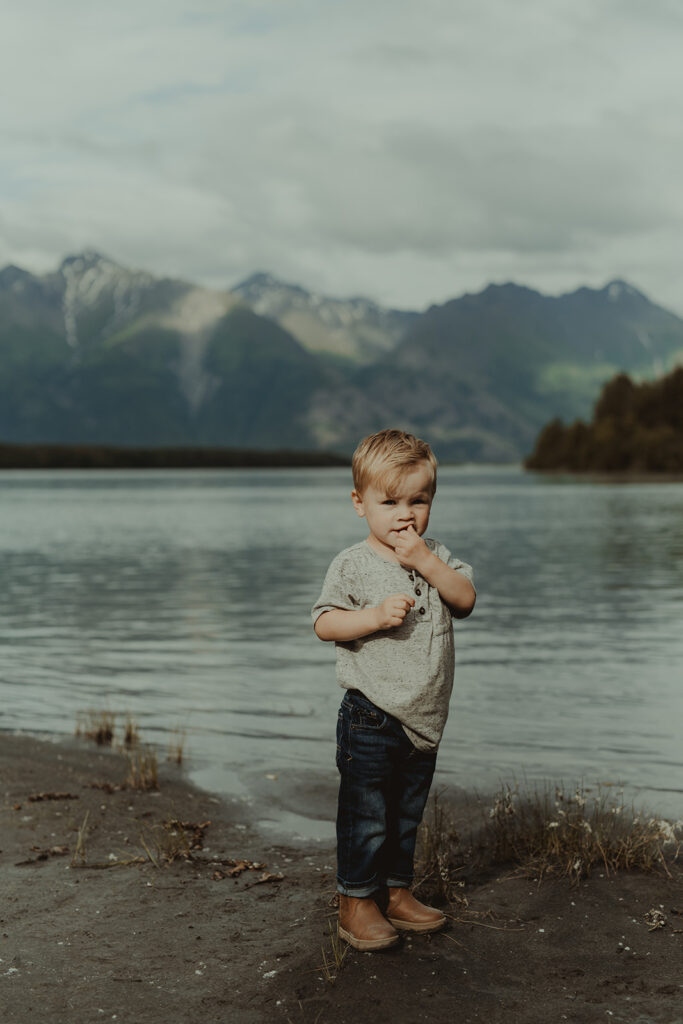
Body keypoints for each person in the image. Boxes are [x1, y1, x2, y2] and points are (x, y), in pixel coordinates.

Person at [312, 429, 476, 951]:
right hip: (371, 714)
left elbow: (466, 598)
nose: (405, 516)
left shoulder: (438, 558)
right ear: (360, 504)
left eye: (418, 501)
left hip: (423, 719)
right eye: (390, 502)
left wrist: (426, 561)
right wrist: (373, 617)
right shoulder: (353, 564)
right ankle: (356, 900)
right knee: (367, 817)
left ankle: (396, 892)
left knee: (406, 813)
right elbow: (324, 623)